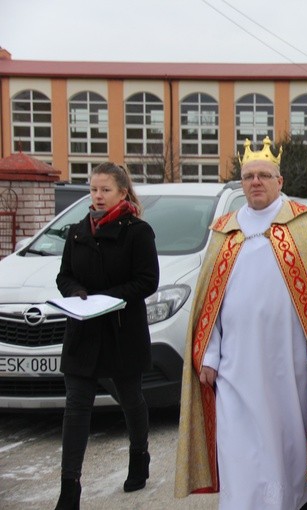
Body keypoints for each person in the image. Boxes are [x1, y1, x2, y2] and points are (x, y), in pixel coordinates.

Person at [175, 137, 307, 509]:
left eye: (264, 175)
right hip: (236, 368)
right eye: (249, 176)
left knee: (288, 447)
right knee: (239, 451)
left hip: (289, 368)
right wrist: (209, 353)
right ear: (241, 182)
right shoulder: (225, 231)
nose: (256, 182)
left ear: (279, 181)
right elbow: (210, 303)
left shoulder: (306, 226)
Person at [54, 162, 160, 509]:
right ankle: (70, 488)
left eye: (105, 190)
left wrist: (110, 298)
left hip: (120, 332)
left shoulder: (137, 231)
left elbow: (147, 281)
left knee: (130, 399)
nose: (97, 196)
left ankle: (139, 456)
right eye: (93, 189)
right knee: (76, 407)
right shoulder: (78, 230)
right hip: (83, 332)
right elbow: (64, 276)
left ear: (122, 192)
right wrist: (76, 293)